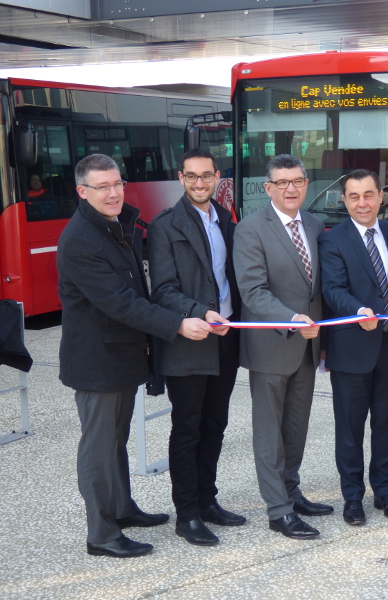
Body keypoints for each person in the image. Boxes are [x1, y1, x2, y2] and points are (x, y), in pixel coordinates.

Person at [57, 153, 213, 558]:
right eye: (102, 186)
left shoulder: (113, 226)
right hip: (97, 363)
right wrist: (177, 324)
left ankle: (122, 509)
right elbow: (122, 303)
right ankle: (103, 534)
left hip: (120, 358)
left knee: (116, 442)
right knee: (99, 447)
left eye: (117, 184)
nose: (113, 193)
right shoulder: (80, 240)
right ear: (82, 191)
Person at [148, 148, 245, 546]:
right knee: (187, 430)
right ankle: (186, 514)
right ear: (181, 177)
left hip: (225, 342)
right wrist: (200, 313)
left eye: (207, 175)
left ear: (217, 176)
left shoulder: (226, 219)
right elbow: (163, 290)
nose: (200, 182)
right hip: (189, 342)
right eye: (192, 176)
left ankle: (208, 501)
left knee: (215, 425)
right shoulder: (165, 226)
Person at [233, 154, 332, 539]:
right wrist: (291, 320)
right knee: (269, 432)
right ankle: (278, 510)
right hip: (272, 345)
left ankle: (292, 492)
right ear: (268, 188)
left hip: (308, 347)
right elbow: (253, 291)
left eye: (298, 181)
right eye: (282, 182)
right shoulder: (251, 229)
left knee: (296, 428)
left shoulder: (315, 223)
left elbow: (316, 291)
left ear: (306, 184)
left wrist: (322, 341)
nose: (291, 188)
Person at [318, 169, 388, 526]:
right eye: (354, 197)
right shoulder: (333, 240)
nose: (362, 203)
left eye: (368, 195)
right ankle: (352, 497)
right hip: (352, 346)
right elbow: (332, 289)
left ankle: (385, 492)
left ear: (380, 196)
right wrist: (357, 310)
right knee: (350, 429)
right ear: (344, 201)